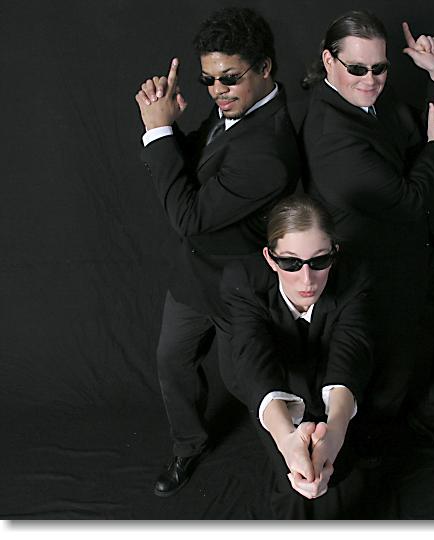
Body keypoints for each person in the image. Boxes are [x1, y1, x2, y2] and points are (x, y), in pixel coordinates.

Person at [300, 11, 434, 457]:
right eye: (357, 68)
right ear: (329, 61)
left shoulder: (372, 98)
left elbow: (426, 129)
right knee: (389, 378)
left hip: (413, 248)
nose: (371, 80)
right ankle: (371, 459)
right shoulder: (331, 134)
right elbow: (408, 199)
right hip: (374, 266)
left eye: (380, 68)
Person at [133, 7, 300, 496]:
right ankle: (189, 446)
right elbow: (201, 167)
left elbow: (189, 216)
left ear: (265, 67)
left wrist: (157, 132)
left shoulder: (269, 147)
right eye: (208, 79)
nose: (217, 90)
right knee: (172, 362)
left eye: (229, 77)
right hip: (194, 274)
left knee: (250, 384)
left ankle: (300, 472)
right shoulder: (234, 107)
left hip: (238, 287)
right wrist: (166, 125)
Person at [220, 194, 373, 518]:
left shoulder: (355, 277)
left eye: (319, 261)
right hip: (274, 390)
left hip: (329, 384)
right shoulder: (243, 281)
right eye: (290, 263)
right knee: (293, 483)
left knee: (337, 479)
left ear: (334, 253)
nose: (307, 280)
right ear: (270, 258)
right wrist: (286, 440)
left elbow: (350, 353)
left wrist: (335, 433)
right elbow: (253, 360)